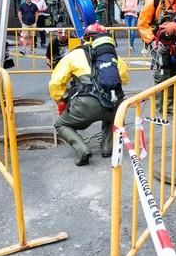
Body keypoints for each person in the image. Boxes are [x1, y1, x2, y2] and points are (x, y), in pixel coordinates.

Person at [48, 23, 129, 166]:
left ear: (85, 38)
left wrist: (61, 100)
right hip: (112, 105)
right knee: (114, 116)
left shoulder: (74, 55)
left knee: (61, 125)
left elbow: (55, 83)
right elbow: (124, 79)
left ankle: (81, 149)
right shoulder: (113, 57)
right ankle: (108, 147)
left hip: (84, 106)